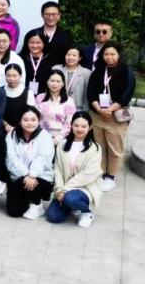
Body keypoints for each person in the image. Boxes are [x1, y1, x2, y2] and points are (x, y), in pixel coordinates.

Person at [86, 42, 134, 193]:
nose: (109, 57)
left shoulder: (126, 71)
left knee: (115, 148)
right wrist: (99, 109)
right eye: (106, 54)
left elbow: (127, 94)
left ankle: (111, 177)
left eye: (112, 54)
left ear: (118, 55)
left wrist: (110, 109)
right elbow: (91, 92)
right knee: (99, 146)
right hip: (98, 115)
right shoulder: (98, 71)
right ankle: (100, 173)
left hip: (116, 116)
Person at [47, 112, 102, 227]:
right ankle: (71, 205)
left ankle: (87, 212)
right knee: (53, 216)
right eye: (76, 125)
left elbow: (88, 174)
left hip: (84, 187)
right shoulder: (62, 145)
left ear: (90, 128)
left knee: (70, 198)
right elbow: (57, 170)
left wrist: (64, 189)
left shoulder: (95, 148)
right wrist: (59, 189)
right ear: (71, 126)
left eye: (84, 126)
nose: (79, 129)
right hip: (64, 188)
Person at [5, 106, 54, 219]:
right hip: (18, 176)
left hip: (40, 176)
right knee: (14, 211)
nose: (30, 123)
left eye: (33, 119)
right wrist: (26, 174)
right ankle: (27, 199)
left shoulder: (45, 136)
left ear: (38, 120)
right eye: (26, 120)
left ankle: (36, 203)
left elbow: (43, 158)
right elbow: (11, 158)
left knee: (35, 185)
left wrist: (32, 175)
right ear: (19, 121)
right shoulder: (11, 135)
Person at [23, 1, 73, 67]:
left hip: (57, 72)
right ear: (42, 15)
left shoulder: (66, 36)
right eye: (47, 14)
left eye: (54, 14)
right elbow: (24, 54)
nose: (51, 17)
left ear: (59, 15)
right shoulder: (33, 34)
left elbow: (69, 56)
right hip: (35, 70)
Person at [35, 70, 76, 144]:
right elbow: (34, 118)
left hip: (61, 138)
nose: (54, 84)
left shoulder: (69, 101)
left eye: (58, 81)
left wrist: (57, 138)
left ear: (63, 83)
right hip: (40, 136)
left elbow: (69, 123)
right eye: (52, 81)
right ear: (47, 82)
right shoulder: (40, 98)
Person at [55, 47, 91, 113]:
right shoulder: (56, 68)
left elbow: (86, 93)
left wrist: (85, 110)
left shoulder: (86, 72)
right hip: (57, 106)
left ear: (79, 58)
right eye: (68, 55)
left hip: (77, 109)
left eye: (74, 55)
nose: (70, 57)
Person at [2, 63, 35, 134]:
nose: (11, 79)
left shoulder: (28, 92)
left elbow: (31, 113)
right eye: (8, 76)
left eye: (15, 76)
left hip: (23, 130)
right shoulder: (0, 91)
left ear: (20, 76)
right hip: (2, 128)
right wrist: (6, 125)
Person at [19, 31, 52, 95]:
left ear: (44, 43)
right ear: (27, 43)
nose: (35, 45)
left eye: (38, 42)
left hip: (44, 96)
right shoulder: (20, 58)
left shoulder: (51, 59)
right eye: (32, 42)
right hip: (23, 95)